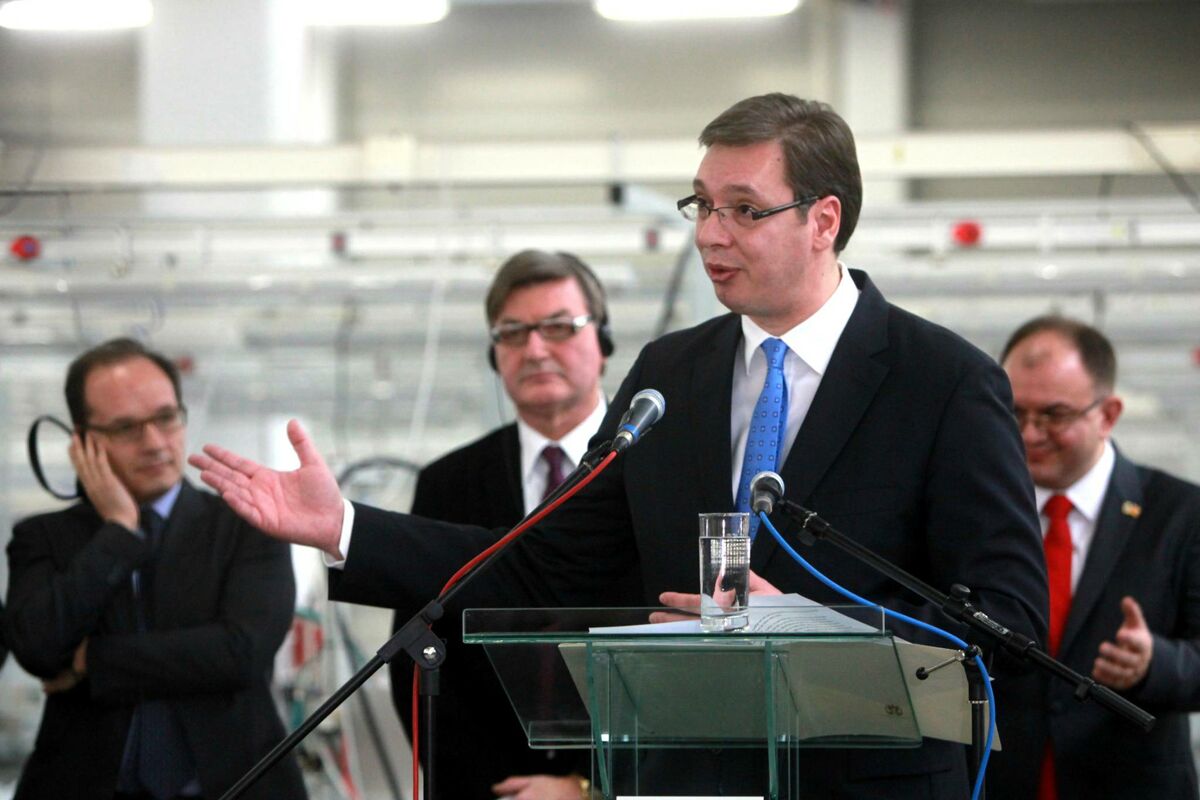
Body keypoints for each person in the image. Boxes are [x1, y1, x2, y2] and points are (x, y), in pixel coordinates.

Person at [191, 93, 1048, 798]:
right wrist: (346, 526)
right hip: (686, 782)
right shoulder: (671, 374)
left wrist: (813, 630)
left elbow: (1008, 625)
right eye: (702, 205)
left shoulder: (944, 382)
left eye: (744, 210)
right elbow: (542, 563)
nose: (710, 234)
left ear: (824, 219)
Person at [333, 249, 620, 799]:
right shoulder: (449, 482)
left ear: (603, 341)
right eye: (512, 332)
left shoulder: (654, 470)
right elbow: (415, 658)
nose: (535, 349)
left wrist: (590, 786)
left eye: (558, 327)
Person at [3, 338, 306, 800]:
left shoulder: (245, 524)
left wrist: (92, 660)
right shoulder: (43, 537)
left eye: (166, 418)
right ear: (82, 441)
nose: (154, 443)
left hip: (238, 784)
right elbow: (38, 650)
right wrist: (118, 533)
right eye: (126, 427)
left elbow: (241, 651)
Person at [990, 316, 1200, 799]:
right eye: (1014, 412)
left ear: (1108, 414)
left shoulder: (1181, 514)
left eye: (1054, 415)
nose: (1029, 434)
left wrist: (1155, 664)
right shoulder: (975, 509)